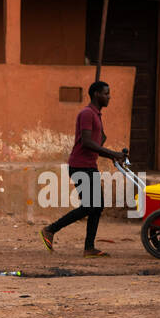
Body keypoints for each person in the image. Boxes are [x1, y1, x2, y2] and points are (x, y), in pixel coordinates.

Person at [40, 80, 127, 258]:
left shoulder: (96, 115)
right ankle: (50, 229)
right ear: (96, 94)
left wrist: (112, 155)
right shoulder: (87, 114)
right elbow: (87, 143)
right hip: (80, 165)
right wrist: (113, 153)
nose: (109, 97)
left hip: (88, 165)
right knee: (91, 205)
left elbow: (95, 143)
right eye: (106, 93)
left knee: (96, 206)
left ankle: (89, 248)